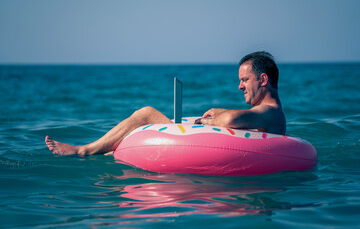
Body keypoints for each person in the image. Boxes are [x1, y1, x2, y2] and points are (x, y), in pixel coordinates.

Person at [45, 51, 286, 156]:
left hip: (214, 154)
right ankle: (99, 149)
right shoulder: (268, 113)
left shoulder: (269, 112)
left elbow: (232, 120)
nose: (240, 86)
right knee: (147, 114)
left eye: (244, 80)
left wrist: (212, 118)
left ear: (263, 79)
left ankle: (84, 150)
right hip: (213, 150)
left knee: (147, 113)